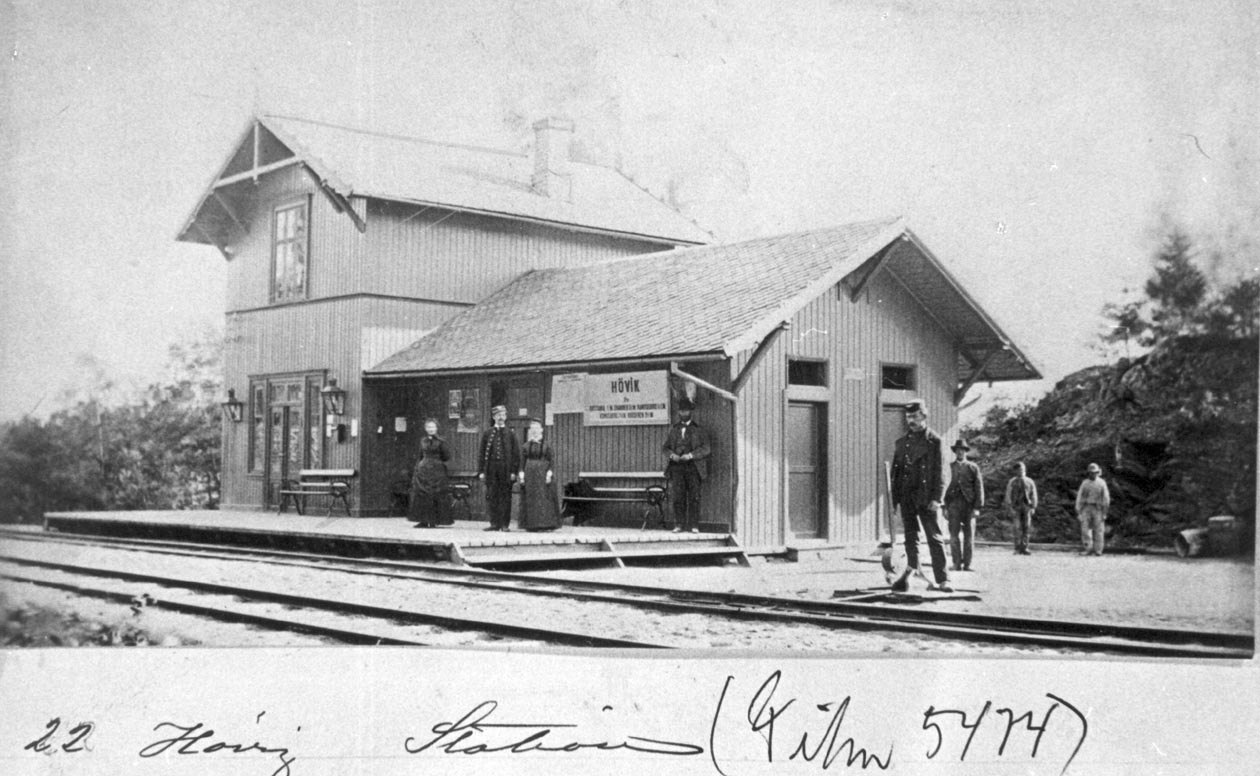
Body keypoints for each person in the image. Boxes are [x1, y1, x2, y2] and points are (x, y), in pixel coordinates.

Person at [889, 399, 953, 593]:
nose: (911, 421)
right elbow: (895, 473)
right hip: (907, 496)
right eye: (909, 417)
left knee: (934, 537)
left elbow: (942, 472)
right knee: (910, 538)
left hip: (926, 497)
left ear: (924, 416)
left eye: (915, 416)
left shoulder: (935, 441)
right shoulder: (901, 443)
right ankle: (912, 574)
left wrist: (938, 498)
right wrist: (894, 500)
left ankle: (943, 579)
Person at [662, 397, 710, 533]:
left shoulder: (699, 430)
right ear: (679, 412)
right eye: (681, 411)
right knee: (678, 497)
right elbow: (665, 448)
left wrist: (691, 455)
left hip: (693, 467)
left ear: (691, 412)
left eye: (686, 411)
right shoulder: (674, 430)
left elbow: (706, 448)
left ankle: (694, 525)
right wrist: (672, 455)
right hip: (677, 467)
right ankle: (679, 525)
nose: (683, 413)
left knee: (694, 496)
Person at [478, 405, 520, 531]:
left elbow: (516, 455)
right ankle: (494, 523)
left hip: (505, 470)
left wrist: (513, 471)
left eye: (503, 415)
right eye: (498, 415)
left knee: (505, 497)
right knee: (492, 496)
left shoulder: (511, 434)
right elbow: (482, 453)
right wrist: (481, 471)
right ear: (494, 417)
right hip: (491, 470)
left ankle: (504, 524)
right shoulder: (487, 433)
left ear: (506, 417)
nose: (500, 417)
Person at [944, 438, 984, 571]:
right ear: (955, 452)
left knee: (969, 536)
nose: (960, 452)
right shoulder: (949, 467)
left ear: (966, 451)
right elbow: (944, 487)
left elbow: (979, 488)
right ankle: (956, 563)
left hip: (969, 505)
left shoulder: (973, 467)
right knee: (953, 536)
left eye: (962, 450)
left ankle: (967, 564)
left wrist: (977, 507)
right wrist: (945, 507)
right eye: (957, 450)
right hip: (953, 505)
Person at [518, 418, 561, 531]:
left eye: (537, 428)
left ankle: (544, 525)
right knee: (531, 499)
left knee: (543, 499)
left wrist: (549, 474)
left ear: (541, 430)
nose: (535, 430)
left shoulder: (547, 446)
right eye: (532, 428)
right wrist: (521, 476)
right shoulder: (526, 446)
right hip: (530, 476)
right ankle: (531, 525)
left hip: (543, 475)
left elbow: (551, 461)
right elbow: (522, 462)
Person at [408, 418, 452, 528]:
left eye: (432, 427)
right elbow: (420, 455)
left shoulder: (441, 441)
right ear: (425, 428)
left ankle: (434, 520)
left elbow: (446, 456)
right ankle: (423, 520)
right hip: (423, 470)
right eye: (428, 427)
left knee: (435, 493)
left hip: (437, 471)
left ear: (437, 428)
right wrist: (417, 468)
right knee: (422, 493)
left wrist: (436, 461)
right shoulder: (423, 441)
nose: (430, 429)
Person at [1075, 462, 1111, 556]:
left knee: (1099, 529)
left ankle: (1098, 550)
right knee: (1085, 529)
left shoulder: (1101, 483)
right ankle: (1088, 548)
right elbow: (1080, 496)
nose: (1093, 474)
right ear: (1088, 473)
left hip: (1098, 508)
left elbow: (1106, 498)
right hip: (1086, 507)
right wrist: (1078, 510)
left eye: (1095, 472)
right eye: (1091, 472)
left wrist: (1105, 512)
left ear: (1098, 472)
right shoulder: (1085, 483)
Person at [1004, 461, 1039, 555]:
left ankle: (1025, 547)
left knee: (1027, 527)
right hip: (1016, 507)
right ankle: (1017, 548)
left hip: (1027, 506)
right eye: (1019, 470)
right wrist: (1010, 507)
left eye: (1023, 469)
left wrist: (1033, 507)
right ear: (1015, 471)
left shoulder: (1030, 481)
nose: (1022, 471)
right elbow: (1008, 495)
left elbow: (1033, 494)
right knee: (1017, 527)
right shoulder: (1012, 482)